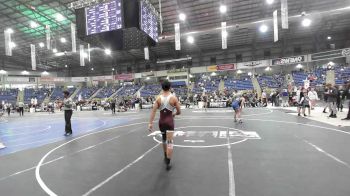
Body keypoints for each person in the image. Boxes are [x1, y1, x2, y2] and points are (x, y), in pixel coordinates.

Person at [148, 80, 181, 170]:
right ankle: (168, 161)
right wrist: (174, 114)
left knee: (164, 139)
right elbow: (179, 111)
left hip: (162, 122)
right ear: (170, 87)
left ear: (162, 88)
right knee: (170, 141)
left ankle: (165, 155)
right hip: (169, 122)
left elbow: (153, 111)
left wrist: (150, 123)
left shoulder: (158, 98)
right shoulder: (173, 98)